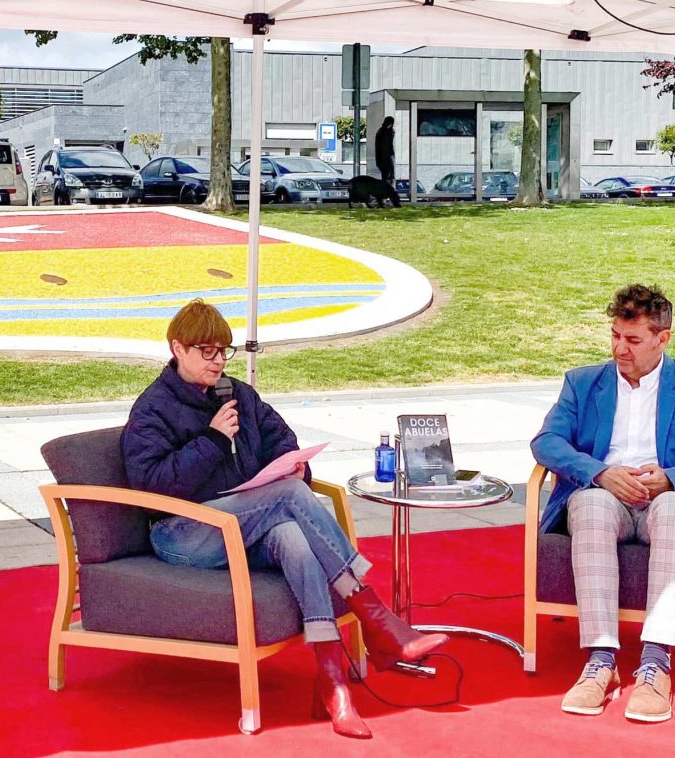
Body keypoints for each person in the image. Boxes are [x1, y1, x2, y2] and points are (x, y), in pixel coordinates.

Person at [121, 299, 447, 739]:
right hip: (183, 532)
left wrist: (295, 467)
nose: (218, 361)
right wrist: (213, 440)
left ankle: (333, 687)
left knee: (294, 536)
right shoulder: (153, 409)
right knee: (290, 498)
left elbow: (281, 439)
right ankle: (376, 618)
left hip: (246, 524)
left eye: (224, 350)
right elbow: (152, 487)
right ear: (177, 348)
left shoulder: (239, 394)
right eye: (207, 351)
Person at [532, 284, 675, 723]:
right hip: (605, 497)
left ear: (663, 338)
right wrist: (599, 472)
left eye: (632, 340)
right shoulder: (582, 383)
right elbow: (547, 442)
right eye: (615, 335)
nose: (620, 348)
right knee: (592, 505)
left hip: (672, 499)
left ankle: (655, 663)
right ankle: (601, 661)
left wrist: (672, 478)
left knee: (673, 508)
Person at [373, 116, 396, 188]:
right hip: (386, 158)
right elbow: (385, 147)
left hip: (383, 158)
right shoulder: (385, 132)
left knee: (386, 176)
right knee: (388, 176)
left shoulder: (382, 131)